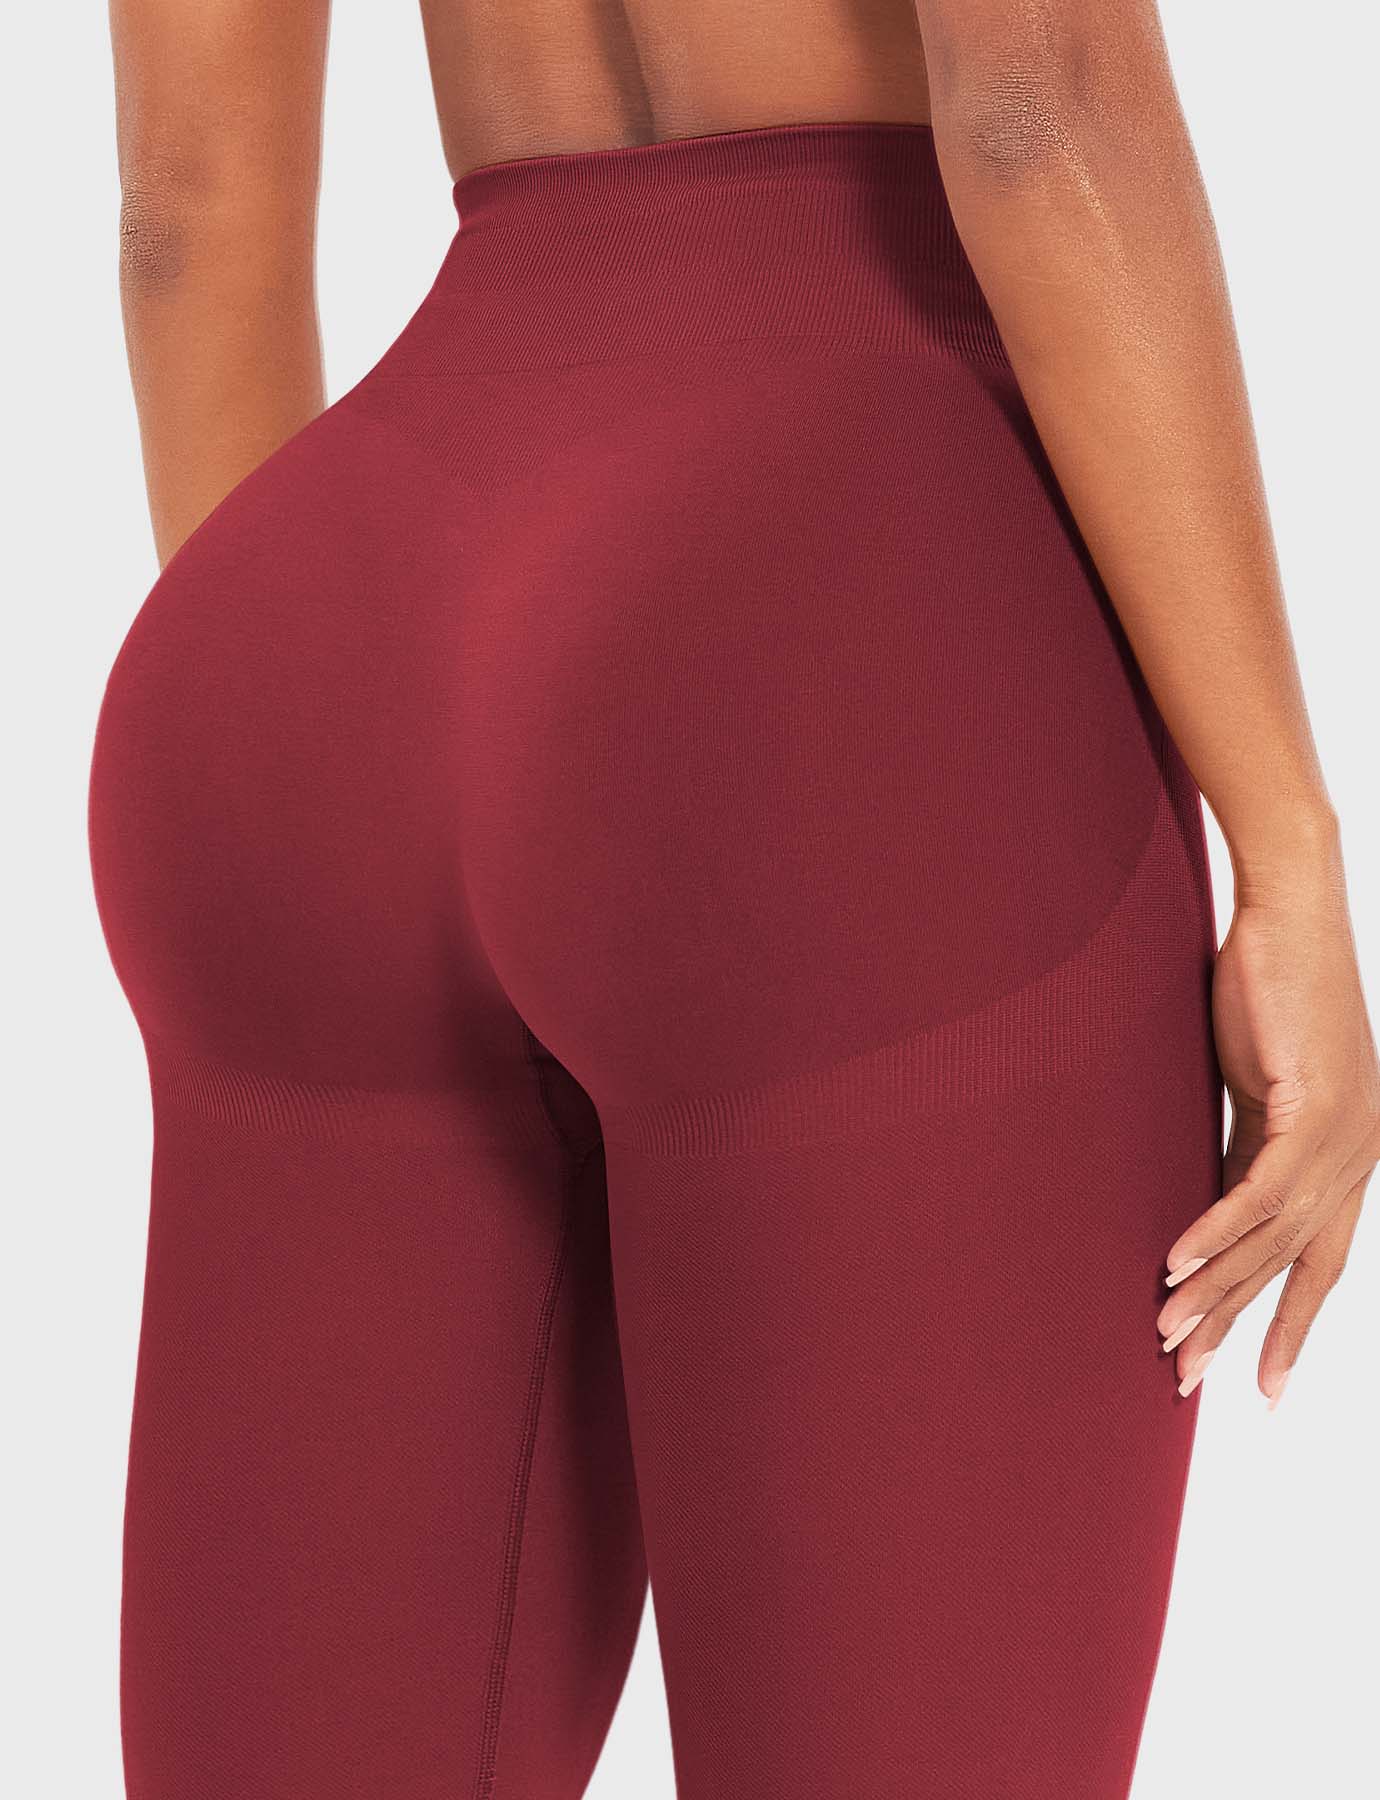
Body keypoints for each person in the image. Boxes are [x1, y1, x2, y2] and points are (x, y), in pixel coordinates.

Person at [89, 2, 1378, 1796]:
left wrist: (328, 732)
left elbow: (187, 209)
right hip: (845, 600)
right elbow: (1038, 105)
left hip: (341, 597)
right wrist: (1288, 850)